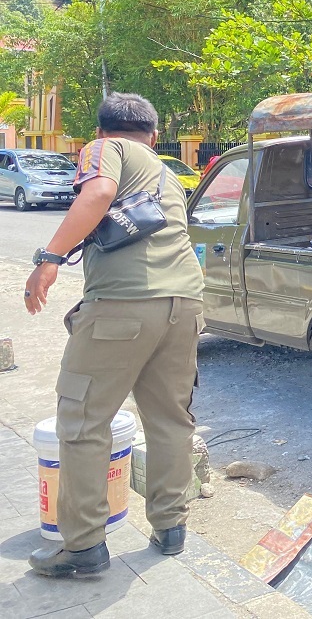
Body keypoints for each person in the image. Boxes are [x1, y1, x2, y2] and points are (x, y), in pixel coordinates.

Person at [23, 93, 205, 577]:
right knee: (170, 420)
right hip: (185, 305)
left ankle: (83, 545)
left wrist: (49, 259)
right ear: (155, 134)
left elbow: (98, 193)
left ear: (102, 131)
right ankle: (171, 527)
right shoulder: (168, 172)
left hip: (122, 307)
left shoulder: (106, 149)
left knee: (83, 421)